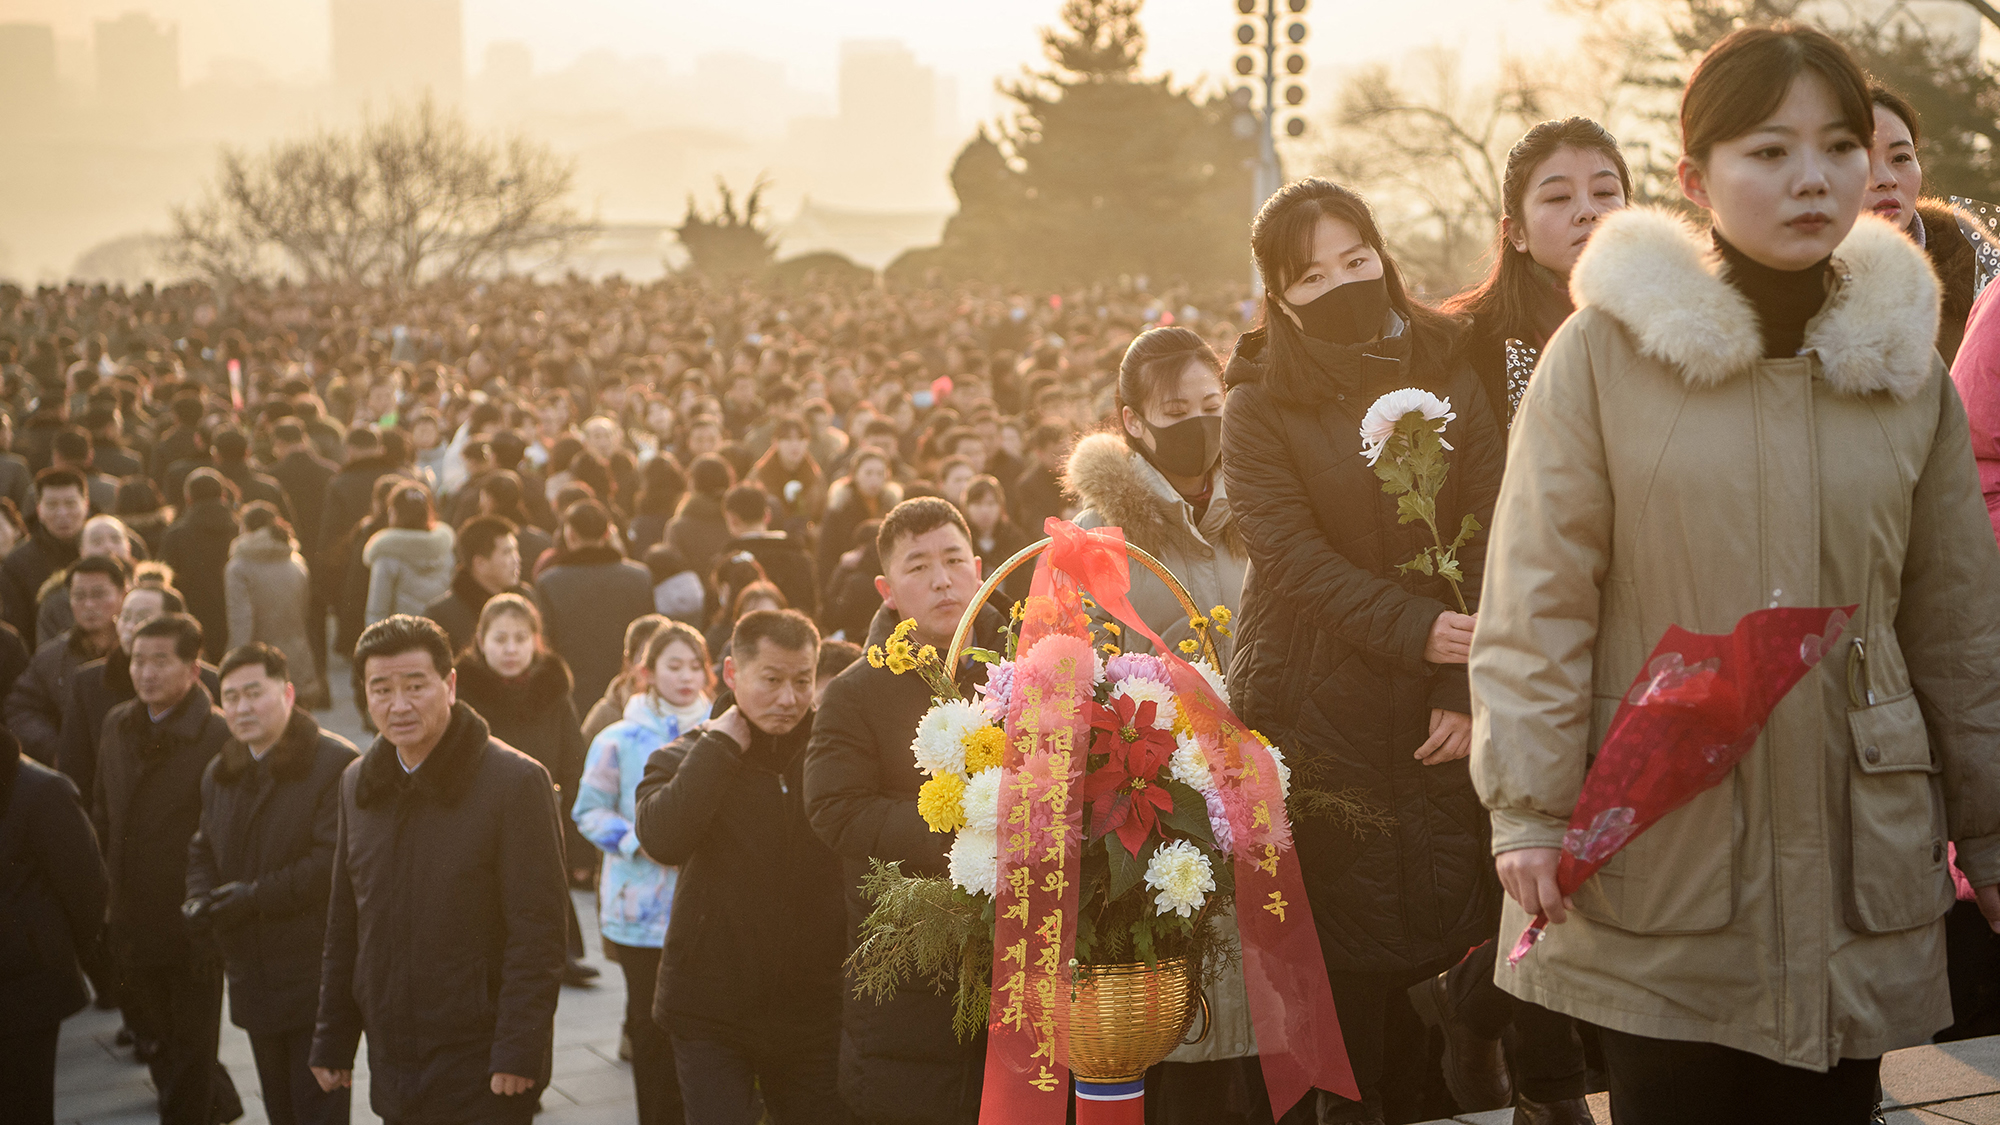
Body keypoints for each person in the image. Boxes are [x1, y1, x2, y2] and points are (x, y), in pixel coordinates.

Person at [1470, 24, 2000, 1125]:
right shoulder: (1605, 353)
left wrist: (1990, 825)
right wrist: (1524, 804)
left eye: (1839, 145)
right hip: (1668, 847)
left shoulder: (1904, 366)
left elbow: (1957, 622)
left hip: (1859, 844)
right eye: (1767, 150)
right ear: (1691, 177)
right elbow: (1535, 594)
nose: (1811, 177)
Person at [1221, 176, 1506, 1124]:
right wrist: (1410, 626)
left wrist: (1458, 676)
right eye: (1313, 276)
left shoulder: (1450, 361)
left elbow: (1491, 520)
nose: (1344, 284)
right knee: (1342, 985)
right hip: (1317, 710)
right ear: (1279, 294)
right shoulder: (1259, 398)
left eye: (1357, 259)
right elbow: (1287, 552)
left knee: (1455, 938)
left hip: (1442, 703)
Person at [310, 615, 569, 1124]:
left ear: (449, 685)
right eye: (380, 689)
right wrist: (333, 1039)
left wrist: (518, 1050)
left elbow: (539, 933)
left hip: (480, 1052)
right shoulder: (359, 785)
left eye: (415, 686)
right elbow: (346, 922)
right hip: (394, 1053)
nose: (398, 705)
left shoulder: (513, 781)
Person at [805, 498, 995, 1125]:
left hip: (1027, 950)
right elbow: (836, 810)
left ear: (979, 565)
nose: (942, 579)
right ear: (887, 591)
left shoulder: (1030, 668)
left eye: (953, 560)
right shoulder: (856, 693)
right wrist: (971, 839)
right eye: (918, 567)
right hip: (912, 968)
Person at [634, 609, 847, 1125]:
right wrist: (720, 747)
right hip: (710, 1008)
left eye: (802, 681)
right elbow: (661, 836)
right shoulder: (689, 754)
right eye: (771, 680)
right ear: (733, 674)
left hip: (812, 1008)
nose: (789, 698)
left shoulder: (831, 755)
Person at [187, 643, 357, 1125]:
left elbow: (330, 863)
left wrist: (253, 897)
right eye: (232, 697)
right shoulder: (222, 769)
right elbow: (203, 844)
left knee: (318, 1108)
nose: (241, 708)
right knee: (280, 1107)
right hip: (252, 971)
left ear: (286, 693)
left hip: (313, 972)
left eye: (253, 694)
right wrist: (199, 895)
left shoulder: (334, 763)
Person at [93, 612, 244, 1125]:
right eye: (137, 659)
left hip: (191, 922)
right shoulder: (118, 724)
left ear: (193, 667)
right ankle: (218, 1106)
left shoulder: (220, 735)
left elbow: (232, 836)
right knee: (154, 1037)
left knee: (189, 1046)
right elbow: (103, 813)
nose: (145, 672)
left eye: (161, 660)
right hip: (130, 917)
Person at [574, 621, 716, 1125]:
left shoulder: (724, 733)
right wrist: (641, 840)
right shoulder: (617, 738)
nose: (684, 676)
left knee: (702, 1028)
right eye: (672, 666)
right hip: (638, 909)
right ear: (646, 672)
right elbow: (588, 810)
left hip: (707, 905)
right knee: (649, 1024)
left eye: (694, 666)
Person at [1068, 326, 1247, 667]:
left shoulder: (1259, 510)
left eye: (1211, 407)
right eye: (1176, 413)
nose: (1198, 424)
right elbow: (1084, 680)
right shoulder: (1097, 538)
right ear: (1134, 421)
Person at [1443, 117, 1632, 431]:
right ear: (1517, 233)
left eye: (1604, 192)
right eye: (1559, 197)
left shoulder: (1673, 324)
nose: (1588, 211)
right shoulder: (1465, 345)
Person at [451, 592, 599, 985]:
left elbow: (574, 759)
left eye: (520, 638)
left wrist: (578, 829)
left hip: (543, 804)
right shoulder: (463, 694)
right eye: (500, 639)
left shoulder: (552, 691)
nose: (511, 649)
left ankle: (561, 956)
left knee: (548, 883)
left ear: (536, 640)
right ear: (481, 641)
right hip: (484, 808)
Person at [0, 725, 108, 1125]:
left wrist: (48, 949)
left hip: (28, 987)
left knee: (23, 1108)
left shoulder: (43, 790)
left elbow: (87, 887)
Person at [1864, 84, 2000, 365]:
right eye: (1860, 160)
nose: (1885, 178)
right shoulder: (1787, 283)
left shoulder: (1981, 278)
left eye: (1901, 158)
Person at [535, 499, 656, 712]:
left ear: (569, 534)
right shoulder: (639, 577)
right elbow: (652, 636)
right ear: (607, 534)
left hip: (572, 693)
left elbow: (546, 644)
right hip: (630, 691)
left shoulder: (550, 583)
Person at [8, 554, 128, 766]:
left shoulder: (139, 651)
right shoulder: (51, 657)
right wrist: (57, 750)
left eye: (99, 594)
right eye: (79, 596)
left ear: (123, 594)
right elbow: (21, 709)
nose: (89, 604)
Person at [226, 503, 326, 710]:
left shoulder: (238, 567)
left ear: (245, 528)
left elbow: (241, 620)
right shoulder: (296, 562)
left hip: (259, 660)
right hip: (297, 655)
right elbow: (304, 612)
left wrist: (235, 662)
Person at [3, 467, 88, 647]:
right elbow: (19, 632)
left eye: (71, 503)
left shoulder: (109, 544)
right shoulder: (18, 562)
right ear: (39, 510)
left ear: (86, 504)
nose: (62, 513)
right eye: (52, 505)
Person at [162, 469, 241, 661]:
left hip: (193, 620)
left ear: (188, 498)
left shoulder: (175, 535)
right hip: (235, 619)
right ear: (223, 495)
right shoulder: (240, 529)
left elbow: (167, 585)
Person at [422, 515, 528, 654]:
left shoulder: (526, 600)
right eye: (507, 552)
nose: (517, 559)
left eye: (515, 550)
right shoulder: (442, 616)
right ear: (480, 563)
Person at [35, 512, 139, 643]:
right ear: (81, 550)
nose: (108, 547)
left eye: (115, 539)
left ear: (128, 546)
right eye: (97, 541)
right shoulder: (58, 600)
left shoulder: (148, 592)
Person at [721, 482, 819, 619]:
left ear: (732, 519)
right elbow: (811, 609)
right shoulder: (799, 556)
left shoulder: (727, 563)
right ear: (767, 515)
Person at [817, 448, 901, 606]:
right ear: (855, 475)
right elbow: (826, 555)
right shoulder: (840, 508)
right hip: (848, 584)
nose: (874, 480)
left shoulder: (893, 507)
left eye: (879, 474)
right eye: (868, 473)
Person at [363, 483, 455, 626]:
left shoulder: (387, 552)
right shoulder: (444, 549)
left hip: (402, 637)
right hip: (438, 633)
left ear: (394, 513)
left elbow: (377, 612)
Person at [580, 614, 672, 747]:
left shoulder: (694, 709)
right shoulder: (606, 715)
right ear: (628, 662)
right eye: (646, 657)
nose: (655, 667)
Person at [667, 454, 736, 581]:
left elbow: (674, 570)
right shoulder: (737, 518)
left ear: (692, 483)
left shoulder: (678, 527)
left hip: (695, 596)